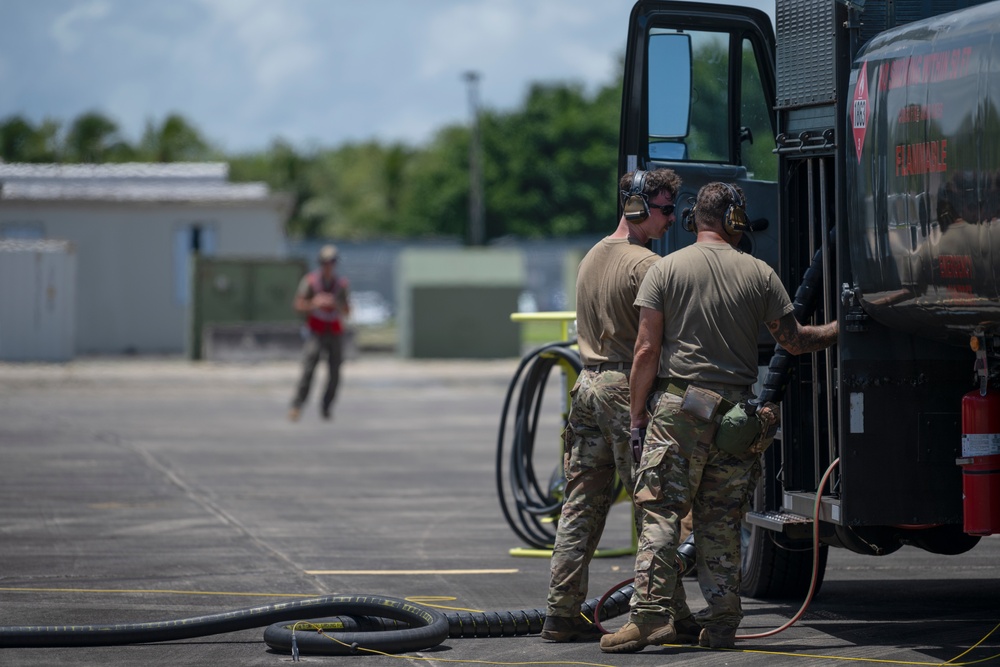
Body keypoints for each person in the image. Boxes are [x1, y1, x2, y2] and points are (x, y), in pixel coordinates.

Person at [599, 182, 839, 654]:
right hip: (737, 416)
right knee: (721, 520)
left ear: (693, 219)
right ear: (734, 221)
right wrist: (840, 330)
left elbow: (646, 350)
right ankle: (724, 621)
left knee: (661, 512)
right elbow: (794, 341)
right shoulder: (760, 273)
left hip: (680, 409)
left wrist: (636, 417)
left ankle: (648, 618)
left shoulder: (664, 271)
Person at [541, 168, 686, 643]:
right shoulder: (645, 265)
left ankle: (560, 614)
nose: (671, 220)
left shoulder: (590, 257)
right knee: (654, 504)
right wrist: (641, 410)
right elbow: (649, 347)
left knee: (580, 506)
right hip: (626, 387)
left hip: (586, 386)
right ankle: (664, 615)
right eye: (665, 210)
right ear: (638, 207)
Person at [288, 244, 352, 422]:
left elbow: (348, 311)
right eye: (325, 262)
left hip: (334, 331)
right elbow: (298, 305)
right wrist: (315, 303)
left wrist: (335, 304)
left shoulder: (341, 284)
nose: (328, 266)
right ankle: (297, 405)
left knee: (335, 372)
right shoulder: (310, 282)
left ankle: (326, 406)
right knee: (308, 369)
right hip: (316, 330)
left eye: (331, 262)